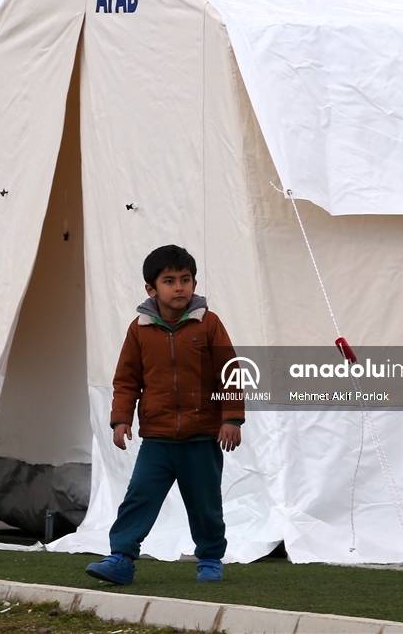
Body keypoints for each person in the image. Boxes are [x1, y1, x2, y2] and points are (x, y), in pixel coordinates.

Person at [85, 245, 243, 585]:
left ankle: (211, 558)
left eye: (185, 279)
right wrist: (121, 419)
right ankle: (121, 558)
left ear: (194, 283)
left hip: (202, 438)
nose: (179, 287)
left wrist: (232, 419)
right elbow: (127, 380)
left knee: (205, 505)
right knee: (139, 498)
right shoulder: (139, 329)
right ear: (151, 289)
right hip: (157, 440)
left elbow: (230, 373)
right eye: (169, 281)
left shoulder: (209, 324)